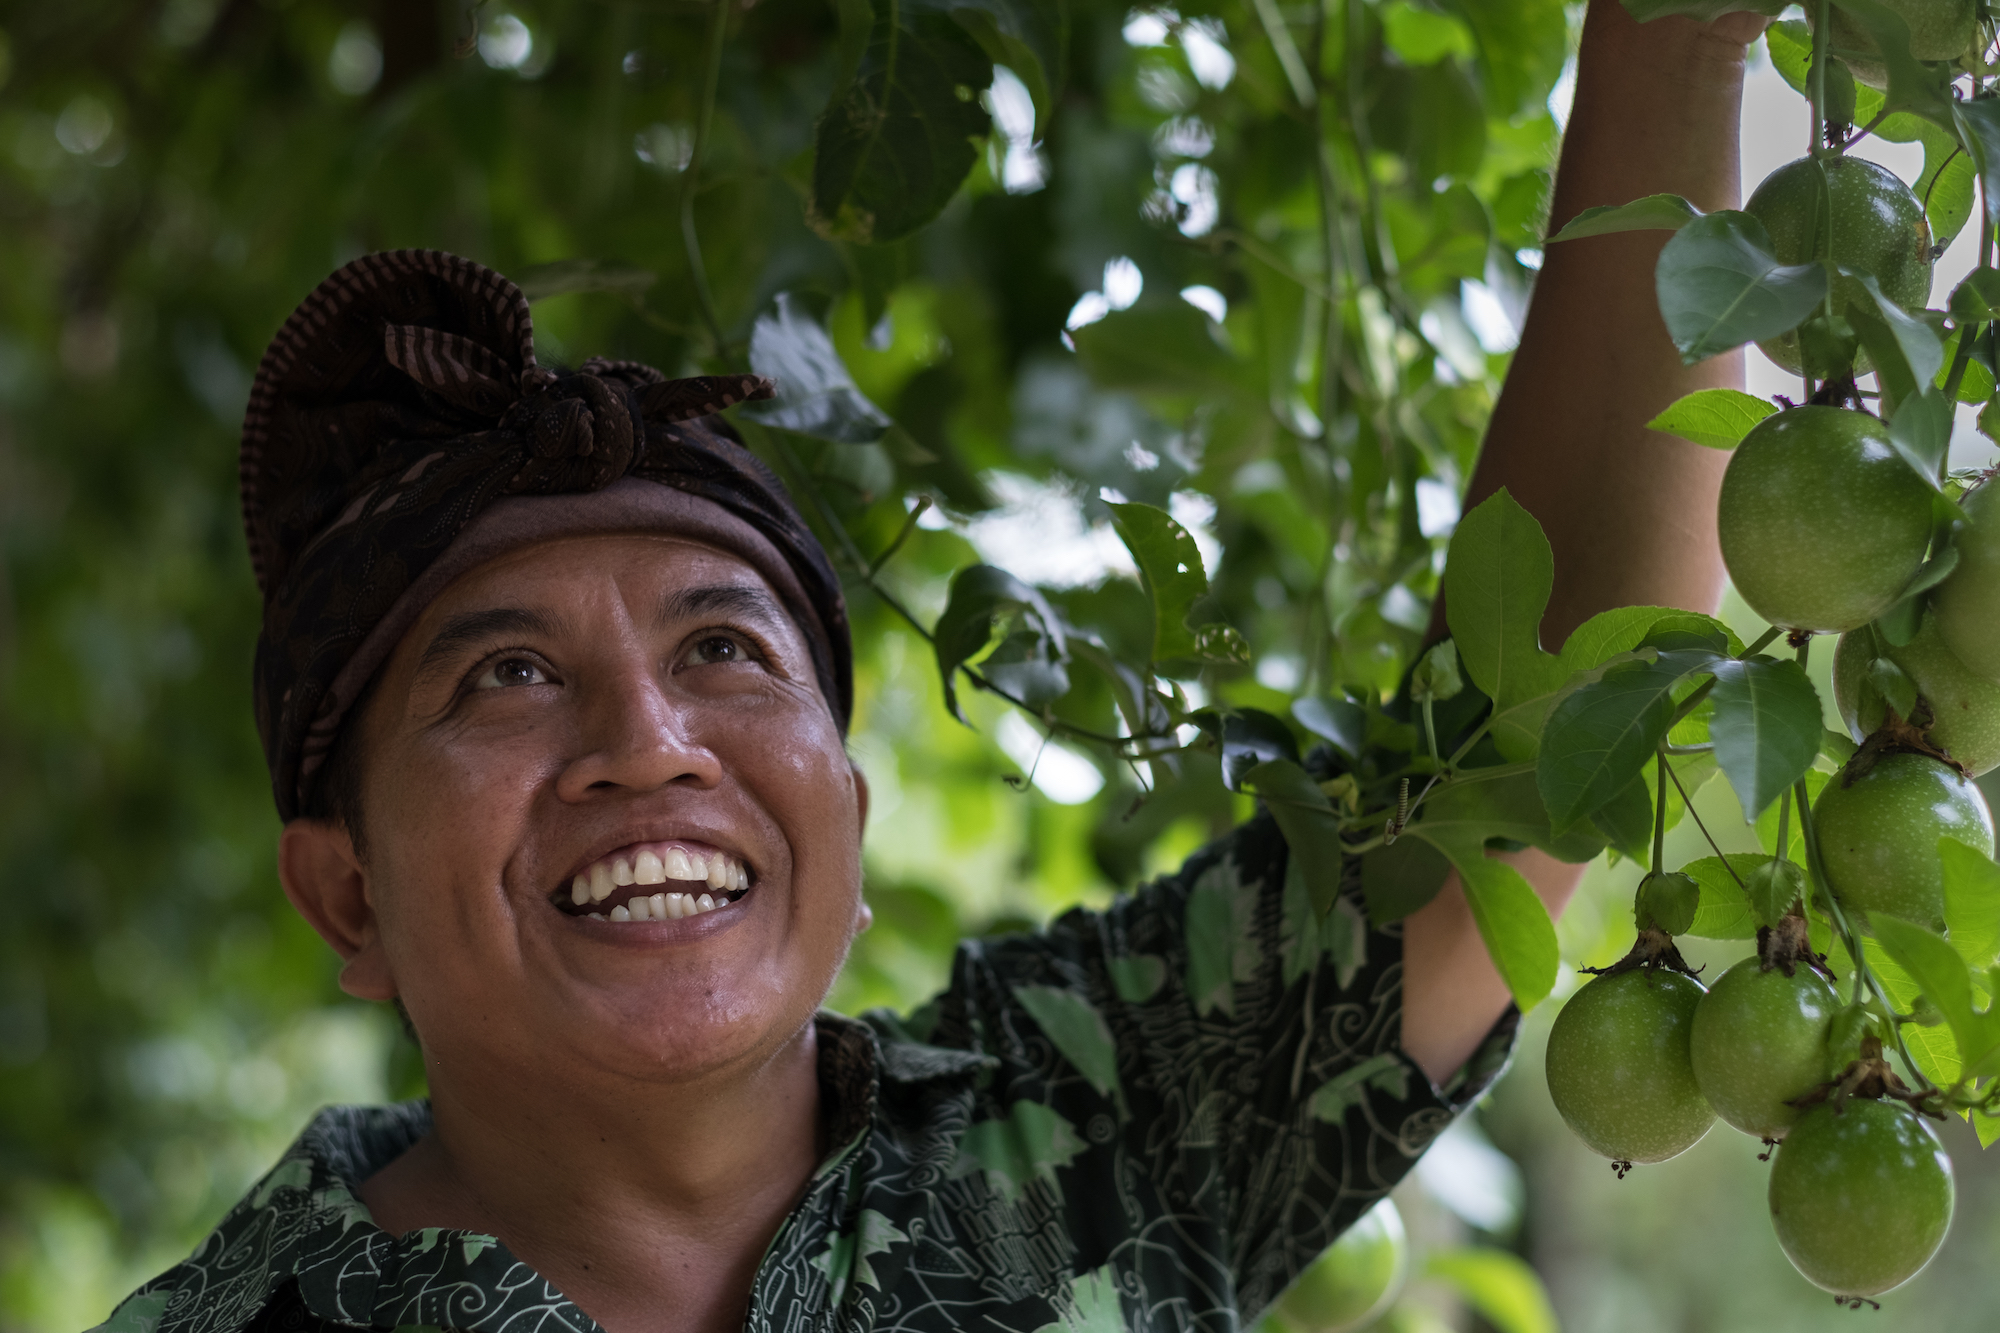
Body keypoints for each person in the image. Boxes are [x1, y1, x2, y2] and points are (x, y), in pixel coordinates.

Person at [93, 4, 1760, 1331]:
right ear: (348, 895)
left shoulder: (1104, 1108)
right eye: (505, 677)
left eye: (724, 648)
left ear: (847, 807)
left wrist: (1674, 37)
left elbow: (1529, 743)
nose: (649, 742)